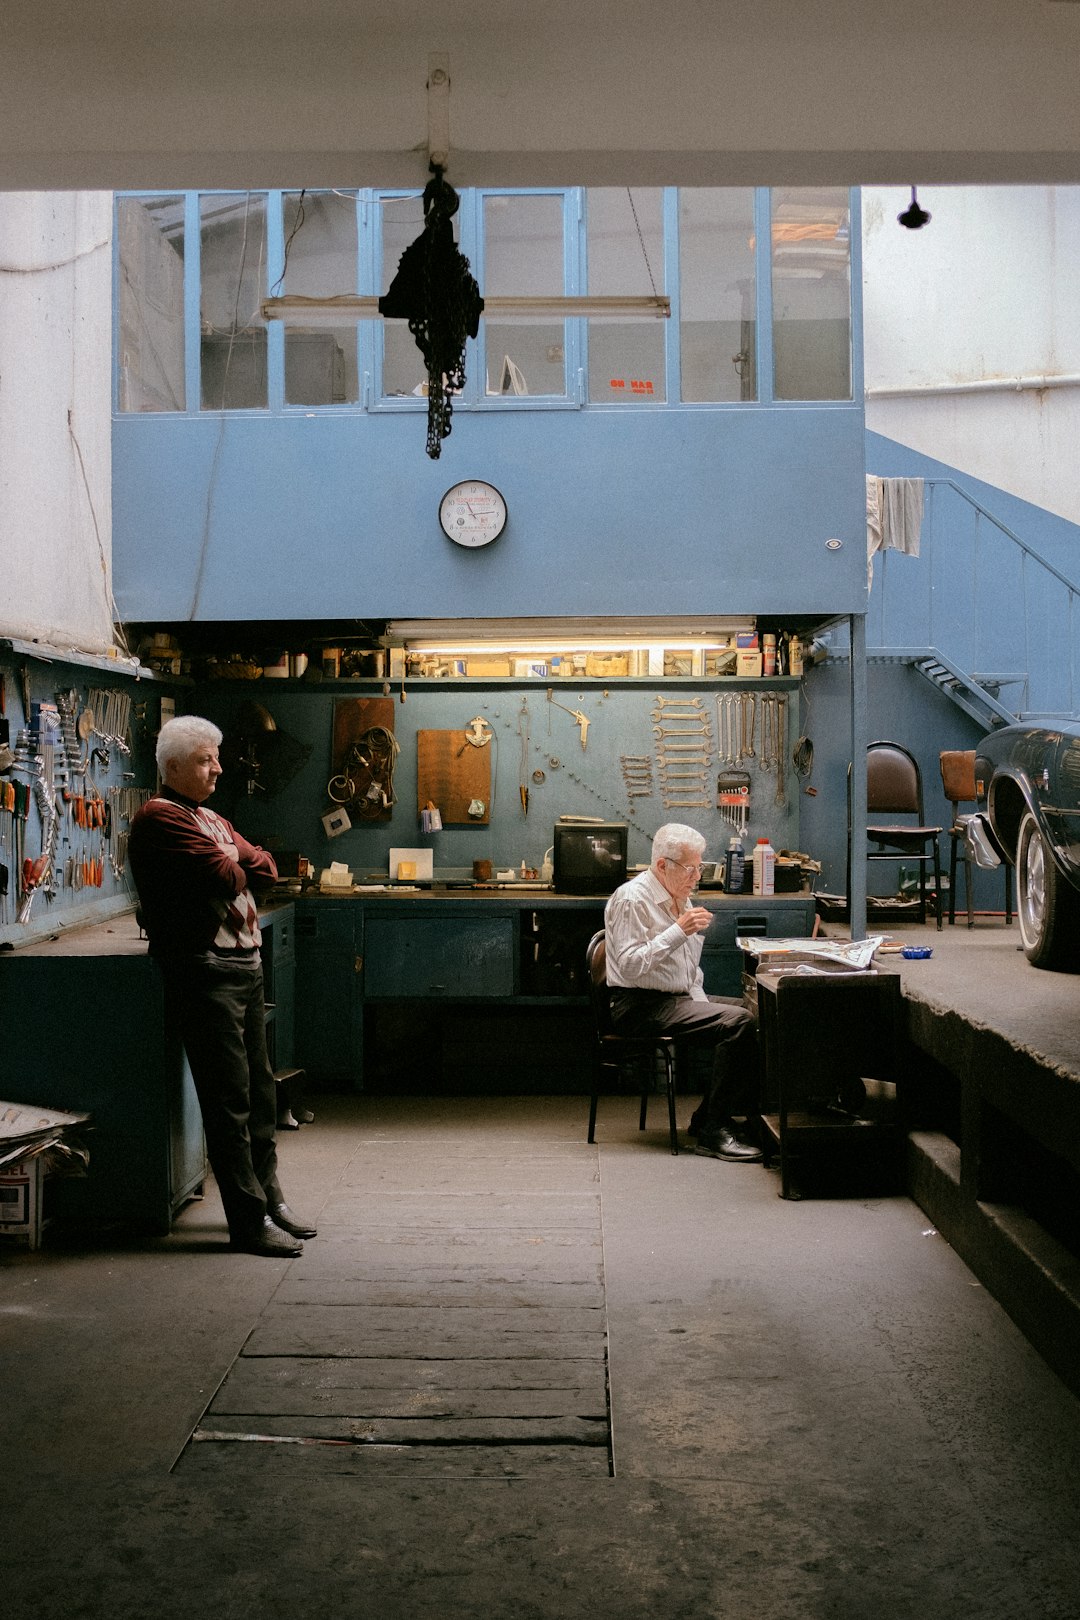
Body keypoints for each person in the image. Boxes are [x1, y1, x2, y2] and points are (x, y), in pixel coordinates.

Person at [128, 715, 317, 1257]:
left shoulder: (208, 816)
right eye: (206, 759)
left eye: (216, 756)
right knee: (228, 1099)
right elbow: (227, 875)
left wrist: (240, 858)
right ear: (172, 767)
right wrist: (238, 860)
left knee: (259, 1091)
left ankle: (271, 1200)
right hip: (203, 969)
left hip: (244, 967)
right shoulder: (160, 819)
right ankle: (247, 1222)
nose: (218, 767)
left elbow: (265, 869)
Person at [603, 823, 763, 1162]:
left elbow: (688, 966)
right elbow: (630, 966)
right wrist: (678, 931)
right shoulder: (632, 899)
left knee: (760, 1013)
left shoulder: (678, 896)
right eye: (691, 869)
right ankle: (713, 1131)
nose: (697, 876)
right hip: (637, 1005)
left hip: (672, 998)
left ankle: (720, 1116)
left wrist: (700, 1003)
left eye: (699, 868)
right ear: (663, 865)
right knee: (738, 1024)